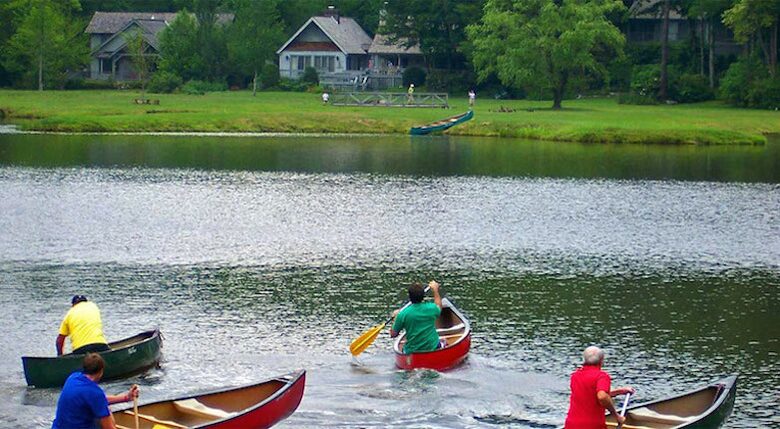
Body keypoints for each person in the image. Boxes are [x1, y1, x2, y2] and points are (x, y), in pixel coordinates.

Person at [52, 353, 139, 429]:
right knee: (107, 410)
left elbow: (97, 400)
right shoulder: (95, 393)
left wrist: (126, 397)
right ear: (101, 371)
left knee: (102, 410)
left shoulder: (73, 377)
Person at [564, 346, 634, 429]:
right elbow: (602, 396)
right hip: (592, 425)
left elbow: (591, 395)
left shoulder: (575, 376)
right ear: (601, 360)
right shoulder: (601, 376)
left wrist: (620, 391)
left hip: (571, 424)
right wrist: (616, 416)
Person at [390, 281, 443, 354]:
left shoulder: (403, 314)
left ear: (410, 296)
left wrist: (395, 319)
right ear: (423, 296)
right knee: (443, 343)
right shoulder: (431, 308)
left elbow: (393, 334)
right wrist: (435, 291)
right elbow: (439, 306)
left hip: (412, 351)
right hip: (433, 348)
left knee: (404, 349)